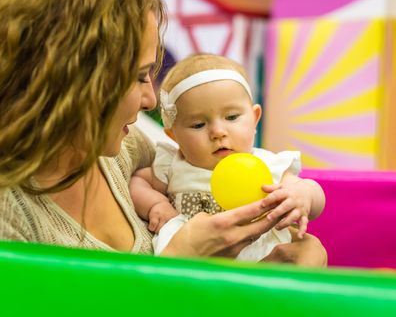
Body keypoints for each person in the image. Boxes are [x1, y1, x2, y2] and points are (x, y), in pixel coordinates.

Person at [0, 0, 326, 265]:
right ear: (70, 83)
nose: (150, 99)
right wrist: (179, 260)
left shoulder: (119, 147)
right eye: (137, 78)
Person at [129, 54, 326, 260]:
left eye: (231, 117)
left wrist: (303, 195)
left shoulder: (268, 164)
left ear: (254, 118)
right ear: (173, 135)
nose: (218, 132)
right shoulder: (173, 164)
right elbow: (138, 181)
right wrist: (156, 204)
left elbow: (312, 192)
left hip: (264, 255)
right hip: (198, 259)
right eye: (198, 125)